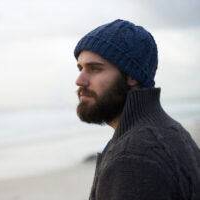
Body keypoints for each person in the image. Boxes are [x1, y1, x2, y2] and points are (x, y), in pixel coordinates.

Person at [74, 19, 200, 200]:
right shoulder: (172, 131)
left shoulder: (133, 158)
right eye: (80, 68)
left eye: (95, 69)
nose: (79, 80)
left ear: (132, 76)